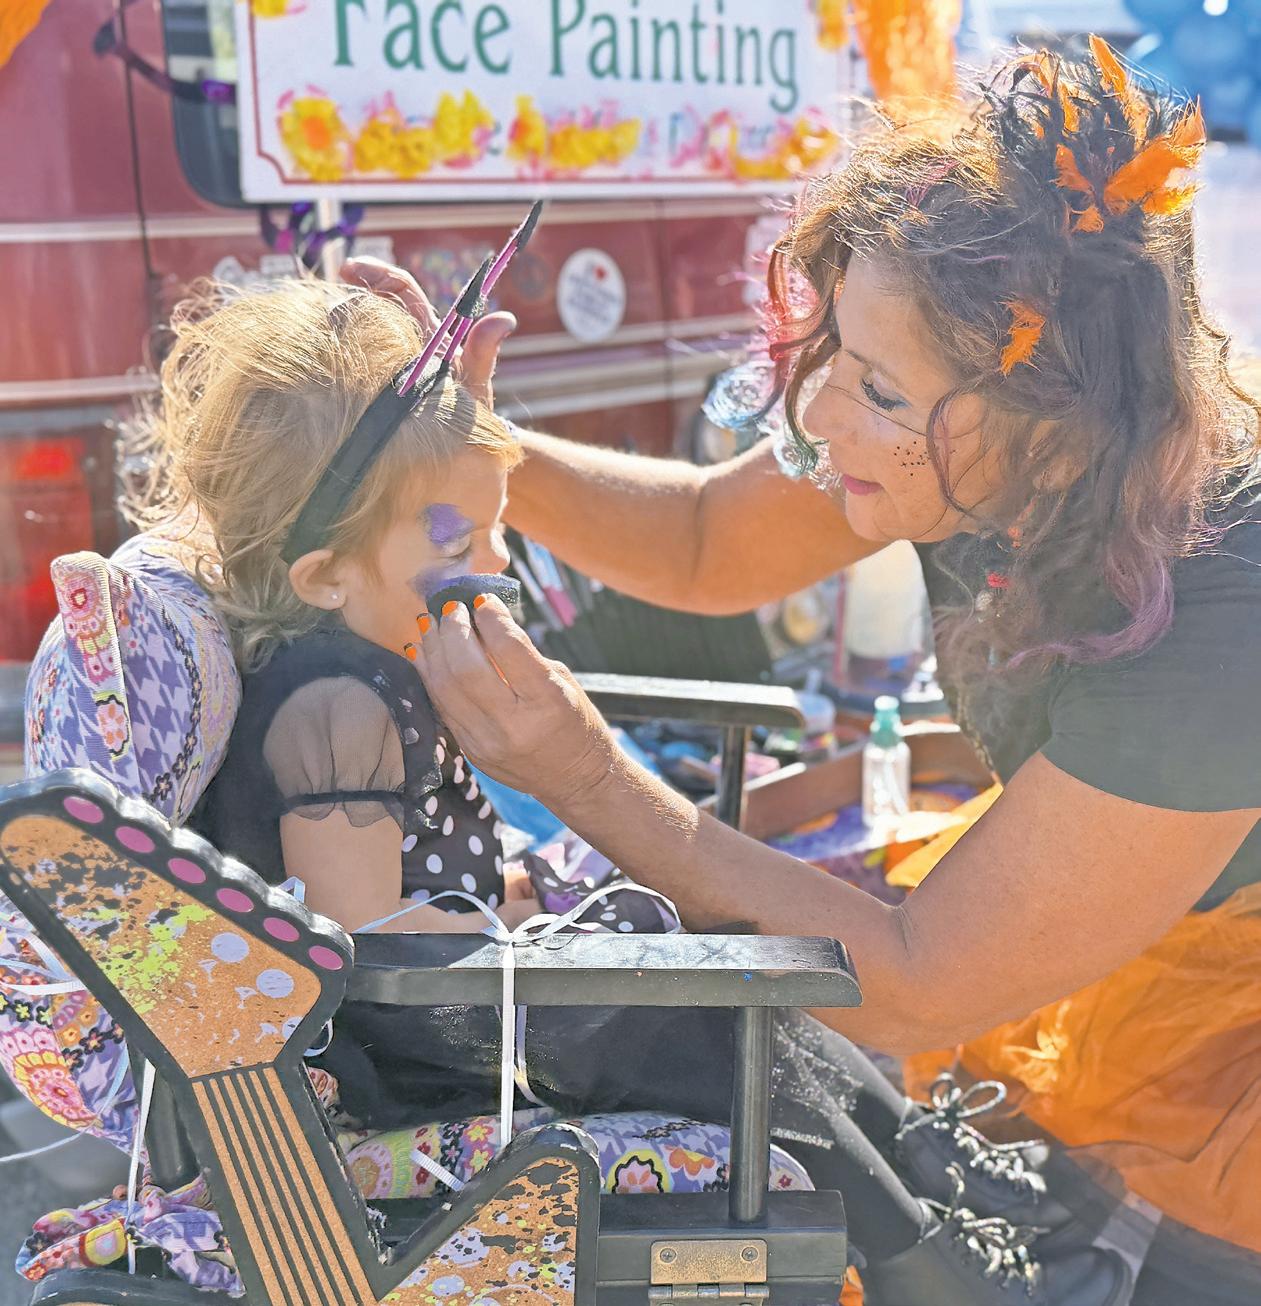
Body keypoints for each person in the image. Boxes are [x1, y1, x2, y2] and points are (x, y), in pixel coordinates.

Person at [376, 39, 1261, 1304]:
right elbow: (703, 540)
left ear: (1057, 419)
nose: (820, 414)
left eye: (879, 390)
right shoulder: (958, 439)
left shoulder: (1224, 614)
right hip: (1097, 939)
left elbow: (911, 977)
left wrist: (583, 775)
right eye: (833, 352)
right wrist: (478, 445)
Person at [140, 276, 1119, 1305]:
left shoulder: (375, 660)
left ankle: (940, 1172)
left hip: (468, 999)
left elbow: (405, 875)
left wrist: (511, 892)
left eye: (496, 530)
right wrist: (511, 922)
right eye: (458, 542)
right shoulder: (335, 710)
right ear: (323, 576)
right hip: (429, 1039)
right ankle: (933, 1256)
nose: (495, 564)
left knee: (744, 1004)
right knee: (723, 1021)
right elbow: (363, 939)